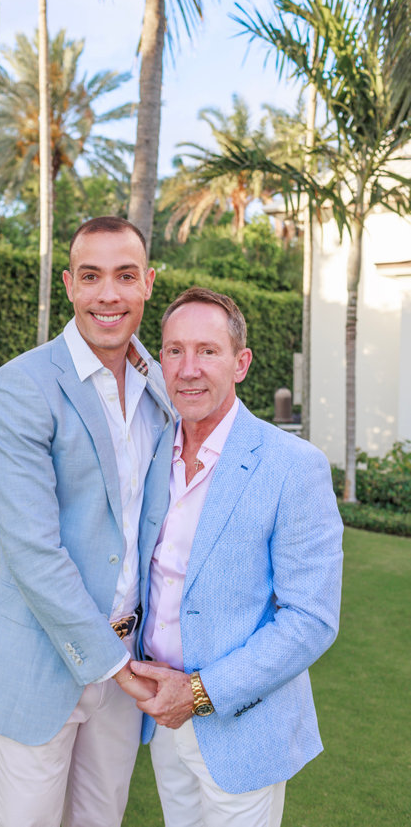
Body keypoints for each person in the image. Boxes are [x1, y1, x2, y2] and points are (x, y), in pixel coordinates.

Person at [0, 216, 175, 827]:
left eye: (125, 275)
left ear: (147, 285)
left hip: (129, 659)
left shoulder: (160, 385)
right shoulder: (19, 390)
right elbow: (32, 549)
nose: (108, 294)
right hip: (41, 657)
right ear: (69, 285)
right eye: (91, 276)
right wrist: (112, 664)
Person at [129, 287, 344, 827]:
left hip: (241, 726)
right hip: (163, 722)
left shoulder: (294, 466)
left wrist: (199, 694)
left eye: (208, 350)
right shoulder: (153, 453)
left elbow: (310, 620)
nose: (189, 369)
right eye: (174, 351)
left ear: (241, 363)